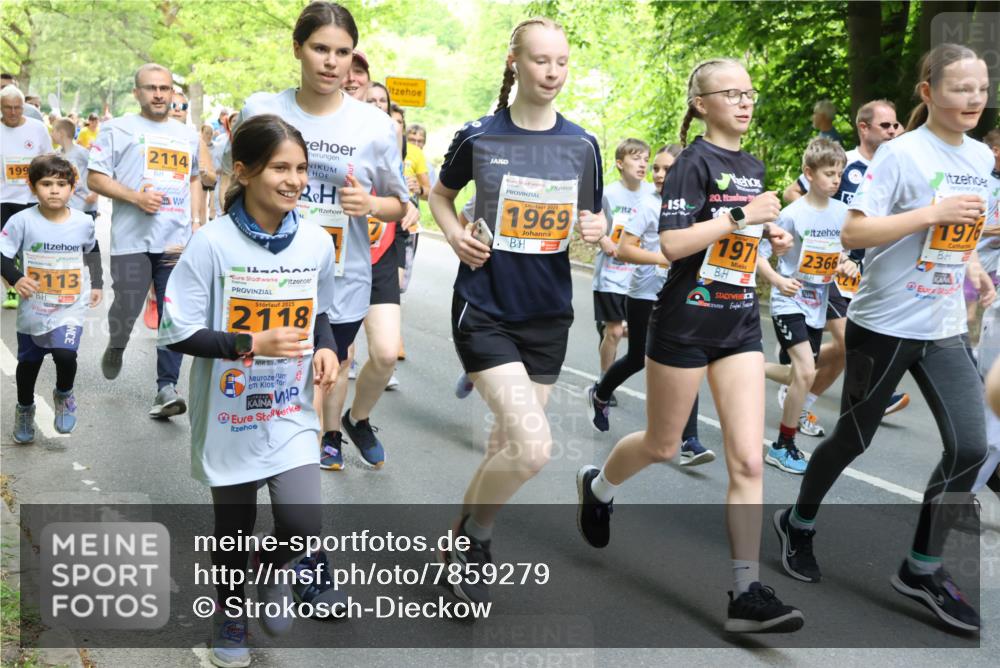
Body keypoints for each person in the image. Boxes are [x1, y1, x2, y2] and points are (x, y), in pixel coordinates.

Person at [576, 58, 804, 633]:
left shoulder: (751, 165)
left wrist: (765, 233)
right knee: (661, 442)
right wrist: (742, 216)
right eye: (731, 93)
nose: (745, 102)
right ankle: (598, 488)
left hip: (738, 326)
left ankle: (746, 593)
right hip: (683, 322)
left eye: (750, 92)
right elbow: (676, 243)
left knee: (749, 458)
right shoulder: (691, 164)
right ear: (702, 104)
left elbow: (735, 237)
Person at [774, 44, 994, 632]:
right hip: (885, 325)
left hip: (944, 326)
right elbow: (853, 231)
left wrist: (970, 266)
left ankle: (921, 567)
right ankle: (797, 522)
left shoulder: (979, 156)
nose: (975, 98)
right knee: (853, 438)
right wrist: (931, 213)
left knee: (971, 447)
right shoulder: (899, 155)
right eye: (960, 87)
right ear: (927, 93)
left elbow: (962, 231)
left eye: (982, 86)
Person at [429, 16, 608, 606]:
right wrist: (455, 235)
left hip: (548, 315)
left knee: (504, 446)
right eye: (540, 60)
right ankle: (476, 542)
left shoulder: (583, 145)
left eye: (560, 61)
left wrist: (597, 227)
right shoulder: (481, 136)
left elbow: (592, 222)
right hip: (485, 308)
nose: (552, 72)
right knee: (532, 449)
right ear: (515, 63)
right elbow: (439, 195)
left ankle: (455, 553)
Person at [159, 114, 340, 668]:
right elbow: (179, 331)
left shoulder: (314, 241)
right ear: (244, 170)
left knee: (303, 523)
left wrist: (327, 345)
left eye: (302, 168)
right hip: (228, 414)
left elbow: (323, 309)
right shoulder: (211, 244)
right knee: (232, 529)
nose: (294, 179)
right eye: (280, 167)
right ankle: (231, 615)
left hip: (289, 409)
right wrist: (251, 342)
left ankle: (277, 573)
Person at [228, 1, 408, 477]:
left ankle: (294, 512)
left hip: (338, 285)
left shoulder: (374, 126)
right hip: (263, 280)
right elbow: (237, 180)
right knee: (269, 392)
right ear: (297, 49)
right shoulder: (262, 108)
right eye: (320, 48)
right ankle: (263, 490)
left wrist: (370, 205)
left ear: (353, 59)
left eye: (342, 52)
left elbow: (399, 204)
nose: (331, 61)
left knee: (310, 388)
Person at [779, 100, 909, 434]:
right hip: (832, 266)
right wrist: (812, 225)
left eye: (896, 125)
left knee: (841, 349)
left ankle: (799, 386)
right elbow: (794, 190)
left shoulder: (896, 165)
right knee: (850, 338)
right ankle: (870, 394)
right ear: (864, 128)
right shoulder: (844, 163)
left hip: (866, 268)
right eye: (886, 126)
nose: (893, 131)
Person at [87, 63, 201, 418]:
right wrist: (136, 197)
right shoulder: (116, 129)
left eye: (164, 88)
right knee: (127, 306)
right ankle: (117, 343)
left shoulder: (188, 134)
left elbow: (195, 178)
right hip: (131, 240)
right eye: (150, 88)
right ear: (136, 92)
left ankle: (165, 388)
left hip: (175, 241)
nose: (158, 94)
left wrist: (198, 222)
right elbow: (95, 178)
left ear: (172, 93)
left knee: (175, 313)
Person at [587, 144, 712, 462]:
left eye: (666, 169)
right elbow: (625, 249)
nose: (657, 174)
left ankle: (690, 441)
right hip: (643, 295)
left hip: (679, 295)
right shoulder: (648, 205)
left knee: (689, 361)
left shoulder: (696, 206)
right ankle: (601, 393)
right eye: (655, 168)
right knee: (637, 359)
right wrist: (663, 256)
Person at [758, 137, 849, 475]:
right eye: (829, 173)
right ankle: (783, 445)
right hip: (789, 300)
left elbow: (839, 255)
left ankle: (752, 368)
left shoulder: (842, 213)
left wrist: (846, 264)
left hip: (818, 303)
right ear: (809, 173)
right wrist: (778, 281)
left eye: (839, 173)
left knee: (799, 373)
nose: (835, 179)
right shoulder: (791, 214)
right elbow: (759, 256)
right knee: (807, 372)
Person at [0, 154, 103, 443]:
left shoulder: (83, 222)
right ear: (32, 187)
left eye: (61, 184)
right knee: (29, 365)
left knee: (65, 354)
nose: (54, 190)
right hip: (34, 308)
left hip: (69, 305)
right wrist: (16, 278)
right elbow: (2, 255)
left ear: (72, 188)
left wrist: (97, 283)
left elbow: (92, 252)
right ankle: (24, 407)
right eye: (46, 184)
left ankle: (64, 394)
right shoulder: (21, 221)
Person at [589, 138, 650, 409]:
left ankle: (606, 332)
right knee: (614, 331)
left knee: (636, 333)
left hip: (642, 277)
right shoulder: (608, 194)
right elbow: (589, 222)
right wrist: (603, 239)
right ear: (619, 163)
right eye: (636, 158)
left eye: (646, 159)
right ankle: (605, 382)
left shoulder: (652, 193)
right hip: (612, 275)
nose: (642, 164)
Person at [2, 84, 53, 309]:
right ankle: (12, 289)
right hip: (3, 198)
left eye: (17, 108)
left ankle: (36, 287)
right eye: (8, 108)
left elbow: (48, 157)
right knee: (5, 250)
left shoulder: (37, 127)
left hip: (31, 198)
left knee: (32, 248)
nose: (13, 112)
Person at [51, 119, 99, 220]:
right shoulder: (56, 153)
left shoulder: (82, 152)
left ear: (61, 133)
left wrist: (95, 193)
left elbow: (98, 170)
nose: (51, 134)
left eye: (53, 131)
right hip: (66, 207)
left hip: (85, 206)